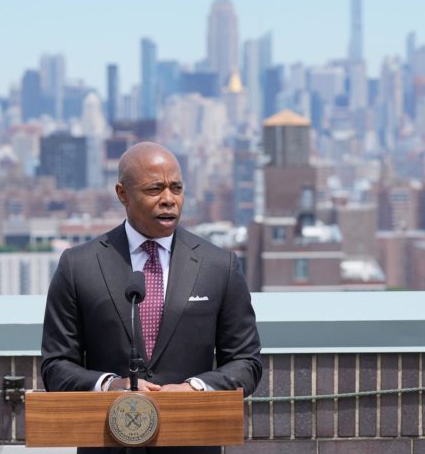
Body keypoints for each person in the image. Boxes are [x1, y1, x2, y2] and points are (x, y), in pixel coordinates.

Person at [41, 142, 262, 454]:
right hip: (108, 445)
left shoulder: (218, 266)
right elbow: (56, 366)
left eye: (176, 188)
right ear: (122, 194)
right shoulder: (79, 266)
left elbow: (246, 362)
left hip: (189, 444)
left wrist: (194, 389)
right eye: (155, 189)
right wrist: (109, 385)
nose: (168, 200)